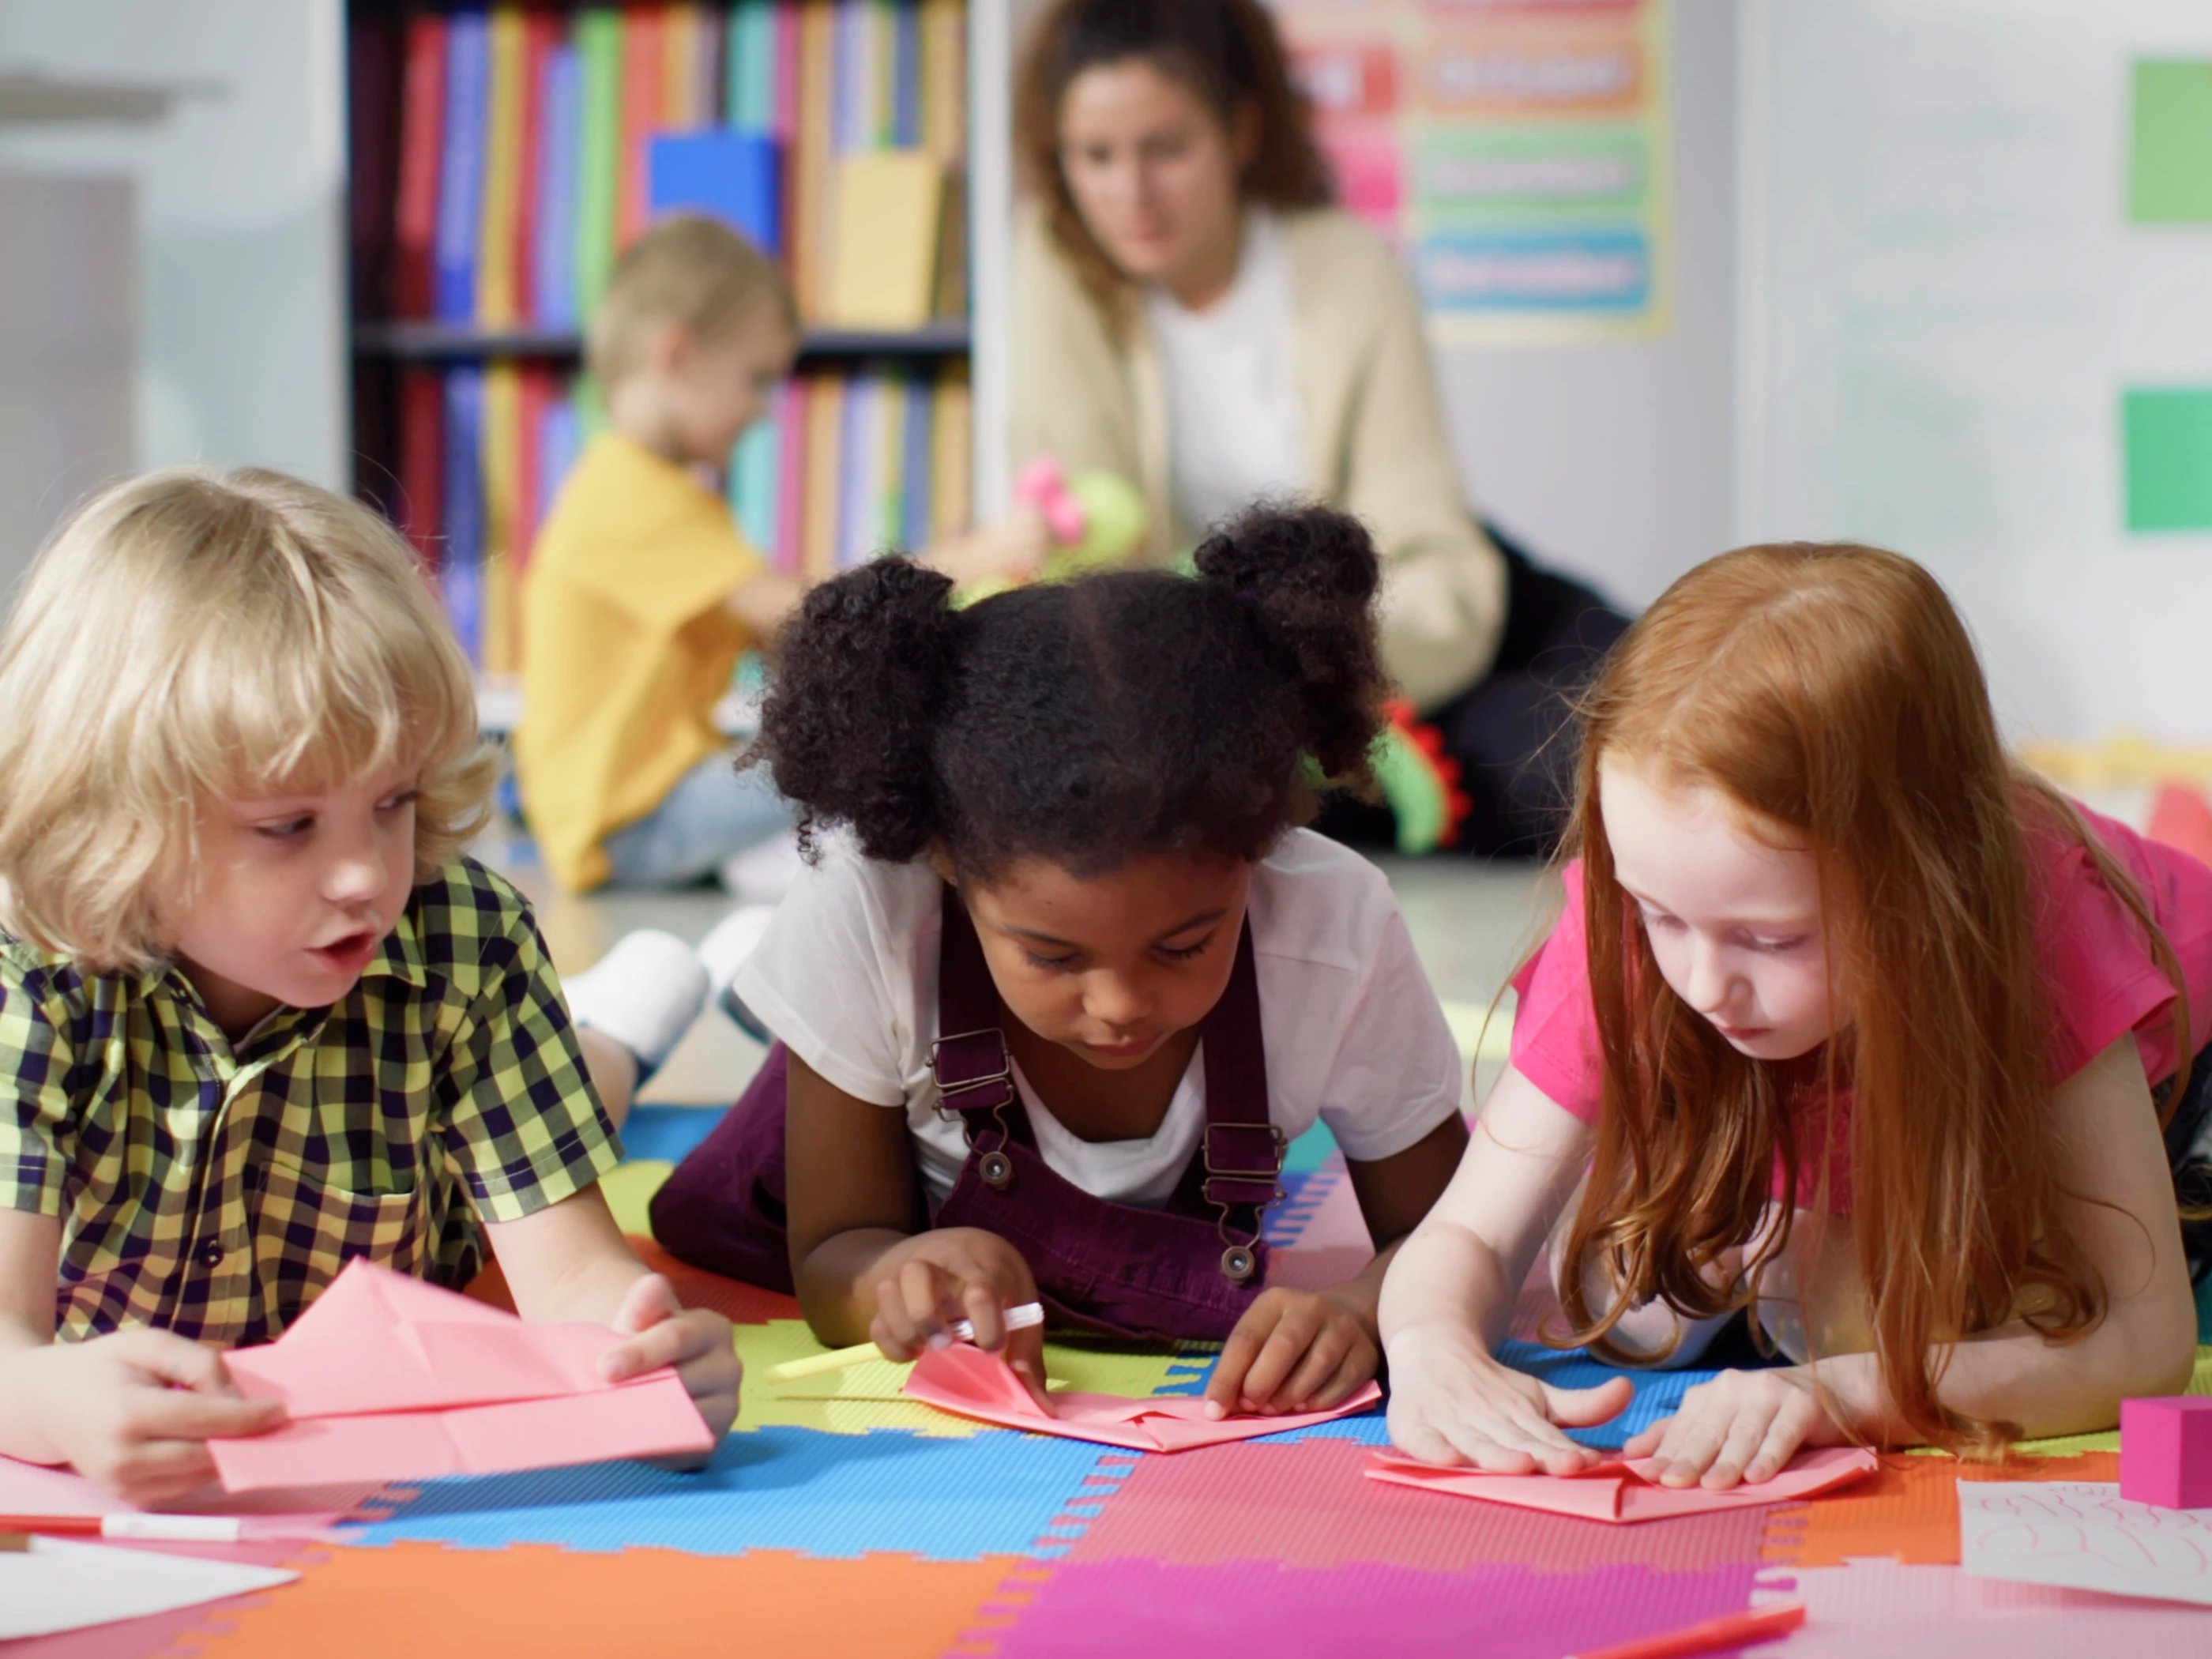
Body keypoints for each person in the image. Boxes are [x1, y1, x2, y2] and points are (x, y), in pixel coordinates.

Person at [1379, 543, 2212, 1488]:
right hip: (1839, 1073)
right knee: (1632, 1293)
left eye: (1769, 940)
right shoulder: (1645, 904)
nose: (1703, 982)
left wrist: (1838, 1396)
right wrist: (1428, 1350)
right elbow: (1471, 1235)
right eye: (1660, 917)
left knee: (1898, 1322)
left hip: (2172, 1075)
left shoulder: (2038, 925)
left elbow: (2143, 1345)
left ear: (1919, 891)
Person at [0, 468, 740, 1506]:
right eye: (288, 827)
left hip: (431, 1231)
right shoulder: (29, 980)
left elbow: (571, 1277)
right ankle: (614, 1019)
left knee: (579, 1091)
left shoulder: (462, 939)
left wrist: (647, 1352)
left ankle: (618, 1021)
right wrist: (50, 1404)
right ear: (119, 817)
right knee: (588, 1073)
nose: (365, 877)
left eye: (392, 804)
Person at [650, 504, 1470, 1416]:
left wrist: (1365, 1308)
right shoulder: (867, 908)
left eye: (1187, 944)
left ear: (1261, 852)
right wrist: (894, 1273)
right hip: (819, 1142)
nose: (1119, 1004)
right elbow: (833, 1251)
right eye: (1051, 953)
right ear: (947, 865)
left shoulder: (1334, 927)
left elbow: (1458, 1233)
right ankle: (639, 1010)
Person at [1010, 0, 1629, 857]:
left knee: (1668, 707)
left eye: (1166, 148)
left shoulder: (1345, 266)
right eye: (1096, 157)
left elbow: (1440, 567)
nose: (1131, 193)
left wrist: (1314, 662)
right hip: (1265, 689)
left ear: (1242, 128)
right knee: (1579, 781)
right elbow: (1091, 567)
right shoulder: (1054, 268)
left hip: (1417, 613)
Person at [517, 214, 1044, 894]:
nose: (764, 412)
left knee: (845, 748)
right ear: (678, 356)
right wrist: (971, 557)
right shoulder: (629, 496)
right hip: (632, 825)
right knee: (861, 757)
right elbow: (808, 615)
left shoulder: (644, 489)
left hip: (651, 805)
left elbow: (781, 646)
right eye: (756, 378)